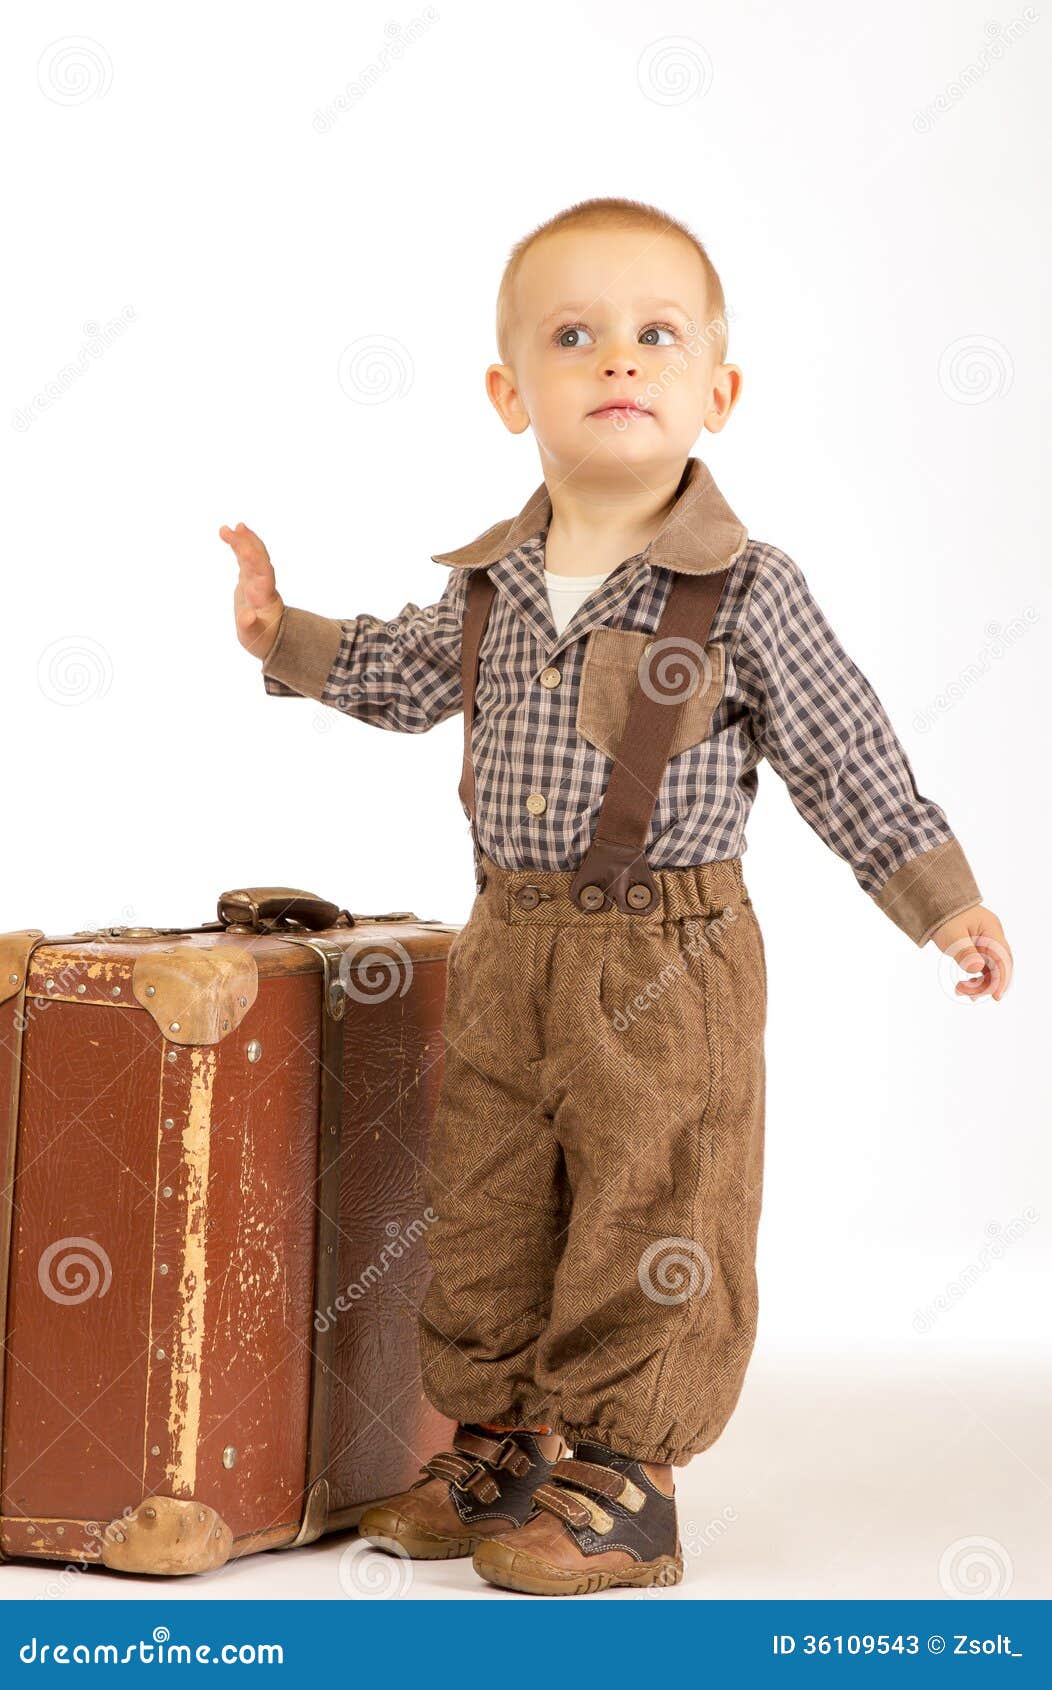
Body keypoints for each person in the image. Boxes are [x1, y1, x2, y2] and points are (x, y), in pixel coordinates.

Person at [219, 197, 1012, 1597]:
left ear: (720, 387)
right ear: (508, 388)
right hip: (509, 943)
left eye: (656, 335)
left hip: (668, 960)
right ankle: (507, 1440)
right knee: (490, 1196)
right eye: (574, 336)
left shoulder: (748, 592)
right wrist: (285, 636)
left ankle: (627, 1477)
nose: (617, 363)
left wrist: (942, 899)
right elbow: (399, 678)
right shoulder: (486, 590)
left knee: (655, 1204)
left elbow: (847, 754)